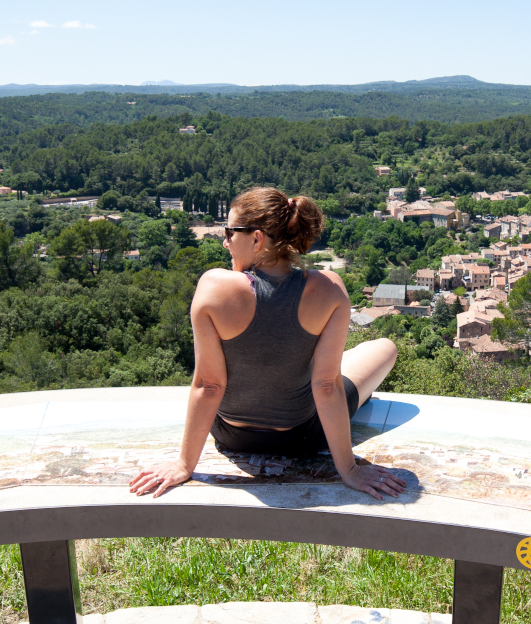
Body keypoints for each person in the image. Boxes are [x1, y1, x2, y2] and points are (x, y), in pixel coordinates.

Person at [128, 187, 403, 500]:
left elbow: (209, 385)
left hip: (231, 436)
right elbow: (326, 386)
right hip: (302, 437)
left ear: (256, 238)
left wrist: (184, 464)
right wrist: (350, 470)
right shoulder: (328, 288)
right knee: (385, 348)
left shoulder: (213, 288)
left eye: (230, 233)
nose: (225, 241)